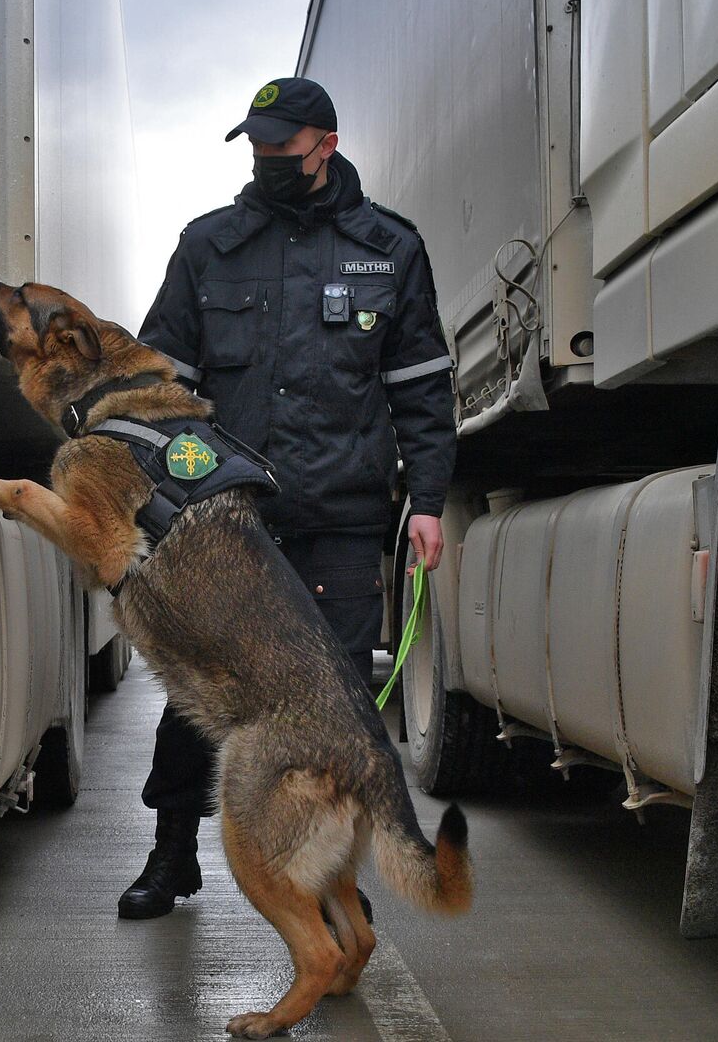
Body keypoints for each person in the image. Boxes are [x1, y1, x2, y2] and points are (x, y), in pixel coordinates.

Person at [121, 77, 457, 919]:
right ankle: (171, 855)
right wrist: (174, 499)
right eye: (259, 147)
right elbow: (162, 390)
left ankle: (338, 884)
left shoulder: (390, 250)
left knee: (338, 707)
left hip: (342, 517)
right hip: (230, 527)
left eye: (283, 147)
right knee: (199, 694)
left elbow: (421, 386)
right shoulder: (209, 248)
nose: (268, 160)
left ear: (326, 147)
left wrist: (428, 499)